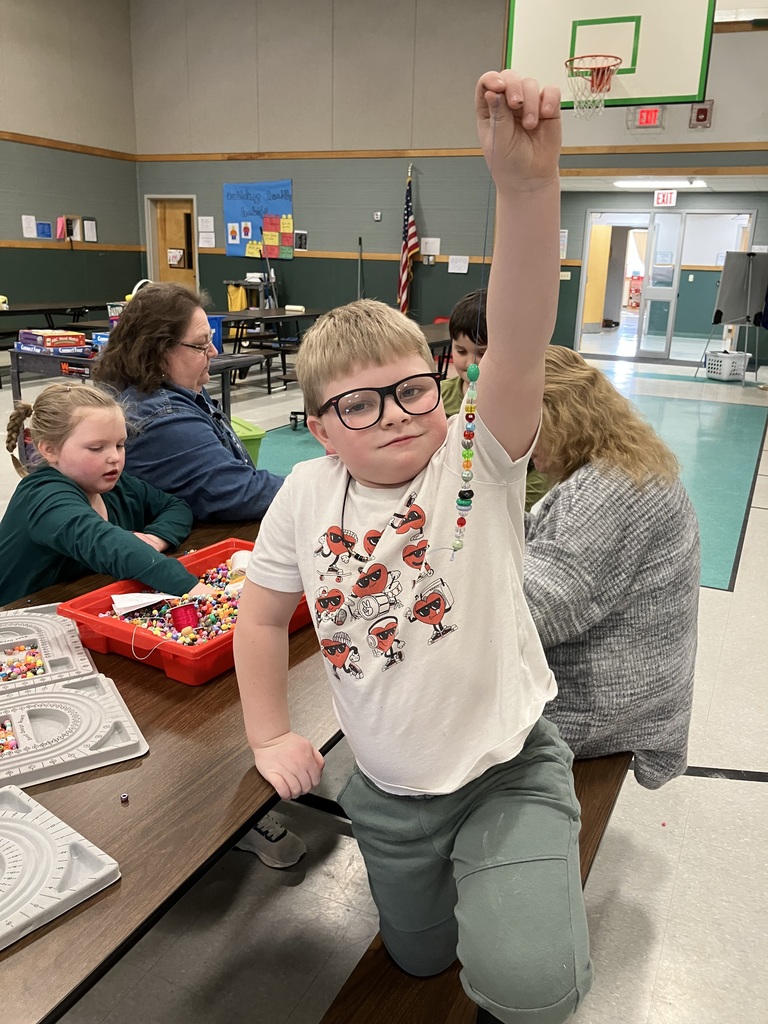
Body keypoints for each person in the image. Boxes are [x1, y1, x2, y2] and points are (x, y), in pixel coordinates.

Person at [234, 70, 593, 1024]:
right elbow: (263, 615)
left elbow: (517, 341)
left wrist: (524, 189)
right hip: (388, 791)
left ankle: (526, 869)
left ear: (439, 385)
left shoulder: (474, 459)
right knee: (418, 959)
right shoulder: (305, 495)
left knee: (529, 989)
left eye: (411, 389)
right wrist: (271, 730)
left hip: (506, 769)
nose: (393, 416)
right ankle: (451, 897)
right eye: (358, 403)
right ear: (319, 426)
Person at [93, 284, 303, 870]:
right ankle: (218, 810)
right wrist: (323, 486)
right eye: (201, 346)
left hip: (169, 554)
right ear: (160, 350)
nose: (213, 357)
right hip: (142, 582)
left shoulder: (171, 394)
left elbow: (187, 501)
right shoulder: (154, 414)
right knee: (200, 706)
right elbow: (231, 489)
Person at [524, 346, 700, 789]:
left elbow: (533, 613)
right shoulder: (620, 462)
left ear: (556, 418)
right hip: (634, 685)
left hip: (600, 705)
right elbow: (548, 536)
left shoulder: (606, 491)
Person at [92, 282, 283, 523]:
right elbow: (242, 492)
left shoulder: (177, 391)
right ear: (159, 352)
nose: (213, 351)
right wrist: (314, 486)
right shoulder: (163, 416)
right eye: (201, 344)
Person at [0, 383, 204, 602]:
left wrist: (155, 538)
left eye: (120, 445)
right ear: (50, 449)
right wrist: (194, 589)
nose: (114, 457)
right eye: (97, 448)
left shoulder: (115, 485)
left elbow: (175, 507)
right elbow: (106, 543)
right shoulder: (43, 497)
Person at [442, 288, 551, 511]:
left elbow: (539, 469)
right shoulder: (440, 396)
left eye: (482, 353)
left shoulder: (520, 405)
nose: (470, 363)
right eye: (461, 351)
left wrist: (516, 506)